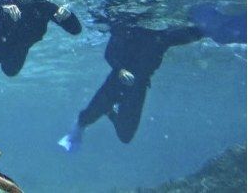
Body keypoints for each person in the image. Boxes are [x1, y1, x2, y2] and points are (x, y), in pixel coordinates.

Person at [58, 21, 218, 150]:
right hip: (117, 80)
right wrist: (120, 69)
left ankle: (108, 110)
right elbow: (109, 53)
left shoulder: (162, 36)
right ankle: (80, 128)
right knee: (85, 119)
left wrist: (209, 28)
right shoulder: (127, 29)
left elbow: (191, 34)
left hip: (139, 85)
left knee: (125, 136)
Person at [0, 0, 81, 76]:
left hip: (7, 44)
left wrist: (68, 16)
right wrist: (68, 17)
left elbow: (75, 30)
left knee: (10, 71)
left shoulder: (43, 7)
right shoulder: (16, 0)